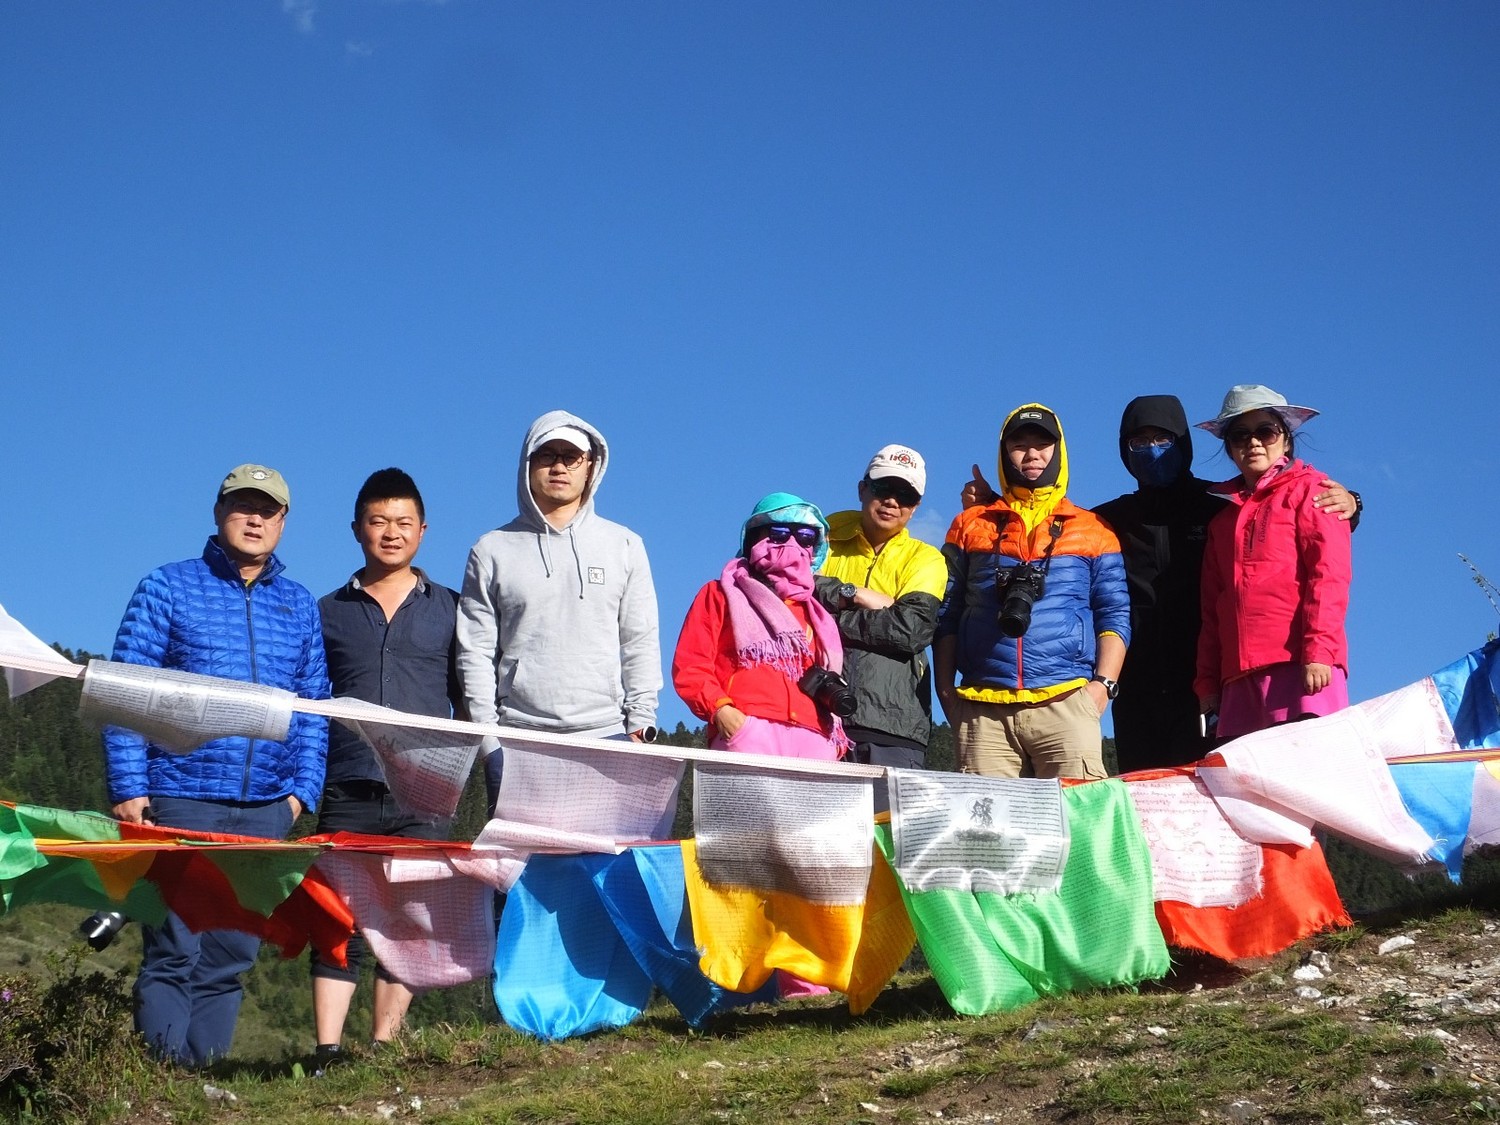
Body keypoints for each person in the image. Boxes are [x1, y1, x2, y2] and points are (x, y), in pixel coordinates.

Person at [962, 394, 1360, 773]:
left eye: (1162, 439)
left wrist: (1352, 502)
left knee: (1219, 796)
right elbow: (1048, 530)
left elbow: (1280, 519)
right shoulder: (1108, 519)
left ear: (1182, 442)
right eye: (1138, 441)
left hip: (1212, 683)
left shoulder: (1222, 509)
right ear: (1123, 450)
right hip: (1138, 685)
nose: (1151, 449)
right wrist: (994, 503)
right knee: (1146, 798)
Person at [103, 464, 329, 1067]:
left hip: (264, 809)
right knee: (173, 948)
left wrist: (300, 793)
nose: (255, 518)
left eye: (269, 509)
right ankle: (160, 1083)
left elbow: (312, 707)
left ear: (283, 521)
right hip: (178, 795)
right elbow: (126, 688)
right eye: (242, 506)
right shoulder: (167, 587)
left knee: (231, 953)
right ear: (218, 512)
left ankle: (200, 1082)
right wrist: (129, 785)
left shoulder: (300, 605)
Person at [310, 468, 462, 1070]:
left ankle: (383, 1050)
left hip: (425, 788)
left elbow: (470, 699)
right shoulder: (325, 611)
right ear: (356, 530)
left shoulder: (452, 609)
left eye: (403, 523)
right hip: (346, 779)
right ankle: (325, 1050)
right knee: (336, 915)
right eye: (378, 522)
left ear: (422, 531)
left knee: (406, 919)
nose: (390, 534)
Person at [457, 411, 661, 810]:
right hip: (518, 740)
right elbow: (475, 649)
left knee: (600, 871)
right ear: (527, 464)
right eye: (547, 454)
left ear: (591, 468)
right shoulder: (491, 549)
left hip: (607, 736)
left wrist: (640, 724)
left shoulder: (625, 545)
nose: (559, 466)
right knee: (522, 871)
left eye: (572, 457)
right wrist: (488, 739)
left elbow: (640, 639)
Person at [935, 405, 1129, 780]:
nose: (1032, 454)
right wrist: (946, 692)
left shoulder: (1094, 529)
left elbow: (1115, 612)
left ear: (1059, 451)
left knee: (1080, 825)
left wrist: (1101, 689)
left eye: (1043, 444)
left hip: (1067, 701)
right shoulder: (969, 525)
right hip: (982, 706)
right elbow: (947, 611)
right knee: (987, 835)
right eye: (1019, 445)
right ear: (1004, 453)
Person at [1193, 385, 1353, 740]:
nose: (1253, 443)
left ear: (1286, 438)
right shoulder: (1222, 523)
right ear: (1230, 448)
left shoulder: (1313, 491)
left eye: (1265, 431)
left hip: (1301, 667)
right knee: (1246, 792)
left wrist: (1319, 651)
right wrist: (1207, 683)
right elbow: (1211, 609)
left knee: (1313, 783)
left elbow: (1329, 577)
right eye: (1240, 435)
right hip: (1237, 680)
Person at [673, 493, 852, 760]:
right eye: (778, 533)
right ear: (754, 538)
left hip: (815, 740)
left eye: (806, 536)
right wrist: (722, 710)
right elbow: (691, 666)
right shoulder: (720, 594)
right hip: (747, 732)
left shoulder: (818, 615)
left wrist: (832, 743)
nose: (793, 543)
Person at [814, 445, 947, 792]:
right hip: (815, 721)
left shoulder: (927, 559)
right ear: (862, 489)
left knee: (888, 845)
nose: (892, 501)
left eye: (905, 495)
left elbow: (910, 630)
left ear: (915, 506)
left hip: (894, 729)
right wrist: (853, 593)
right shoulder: (821, 540)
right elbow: (790, 596)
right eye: (883, 488)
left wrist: (828, 620)